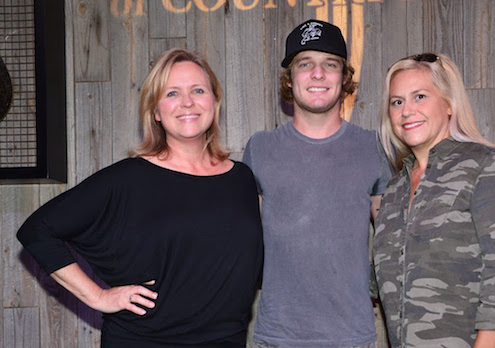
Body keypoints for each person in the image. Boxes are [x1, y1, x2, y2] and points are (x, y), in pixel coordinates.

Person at [17, 48, 263, 348]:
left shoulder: (242, 179)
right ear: (156, 112)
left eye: (198, 90)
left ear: (214, 101)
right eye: (172, 93)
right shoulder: (128, 178)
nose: (187, 102)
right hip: (144, 340)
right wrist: (98, 296)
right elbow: (37, 230)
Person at [243, 19, 392, 348]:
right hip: (276, 336)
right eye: (305, 64)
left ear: (344, 78)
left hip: (352, 337)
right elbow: (240, 243)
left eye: (330, 64)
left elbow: (394, 247)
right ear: (290, 78)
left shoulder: (372, 147)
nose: (318, 74)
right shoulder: (261, 148)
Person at [373, 53, 495, 348]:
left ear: (448, 103)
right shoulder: (394, 189)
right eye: (397, 102)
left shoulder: (487, 166)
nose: (407, 110)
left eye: (419, 96)